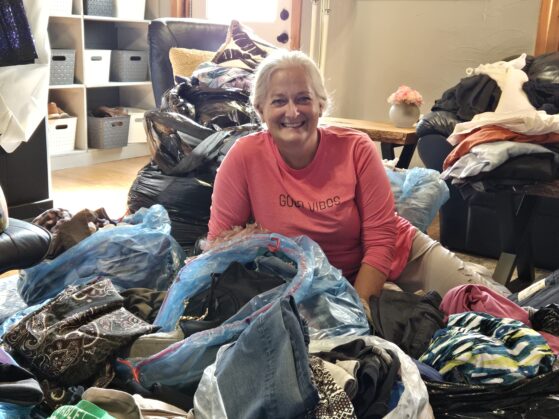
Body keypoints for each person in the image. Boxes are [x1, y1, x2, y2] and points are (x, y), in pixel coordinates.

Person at [207, 49, 509, 311]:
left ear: (321, 105)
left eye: (303, 99)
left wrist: (359, 308)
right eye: (278, 101)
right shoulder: (244, 157)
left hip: (396, 254)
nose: (292, 111)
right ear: (260, 109)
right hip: (311, 281)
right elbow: (219, 243)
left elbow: (381, 239)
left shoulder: (356, 148)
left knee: (488, 304)